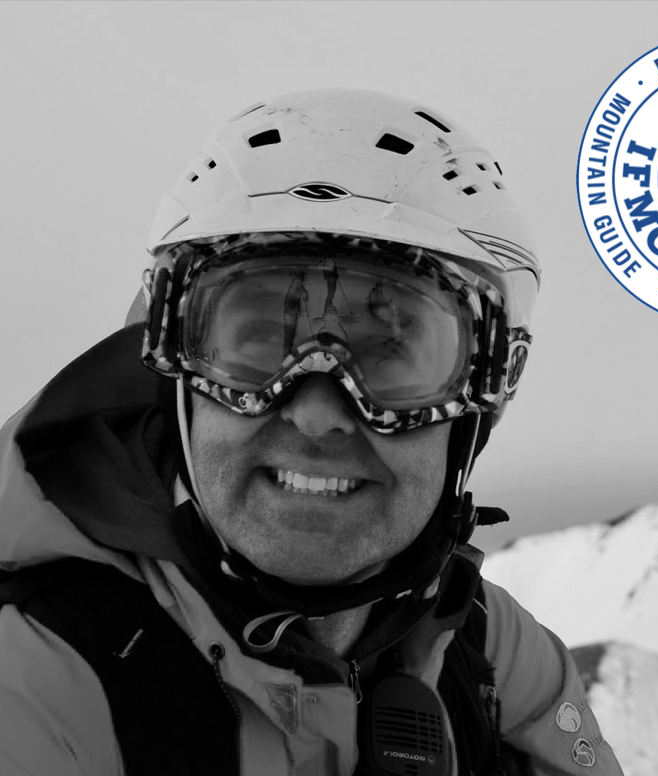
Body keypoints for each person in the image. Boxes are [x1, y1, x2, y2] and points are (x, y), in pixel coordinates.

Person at [0, 89, 624, 775]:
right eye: (261, 338)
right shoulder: (33, 672)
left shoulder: (487, 651)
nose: (317, 413)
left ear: (480, 395)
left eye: (391, 352)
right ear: (177, 370)